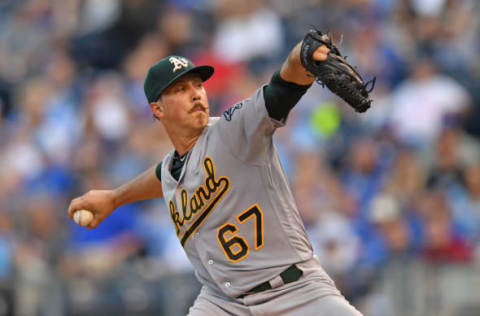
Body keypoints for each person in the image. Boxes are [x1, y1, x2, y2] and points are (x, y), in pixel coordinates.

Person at [68, 40, 363, 315]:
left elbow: (280, 89)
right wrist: (114, 197)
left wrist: (299, 58)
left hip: (295, 290)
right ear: (157, 109)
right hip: (223, 304)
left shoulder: (233, 131)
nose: (196, 93)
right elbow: (162, 175)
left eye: (198, 85)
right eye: (181, 89)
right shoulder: (172, 169)